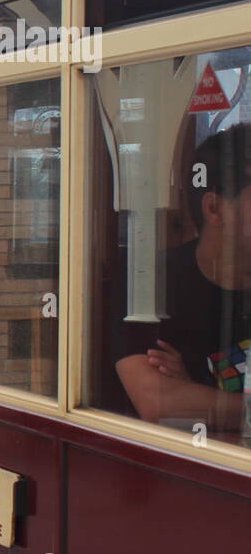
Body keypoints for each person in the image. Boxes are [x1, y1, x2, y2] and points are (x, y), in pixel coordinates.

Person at [115, 124, 251, 434]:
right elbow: (156, 401)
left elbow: (180, 404)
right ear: (214, 208)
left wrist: (199, 395)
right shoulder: (152, 283)